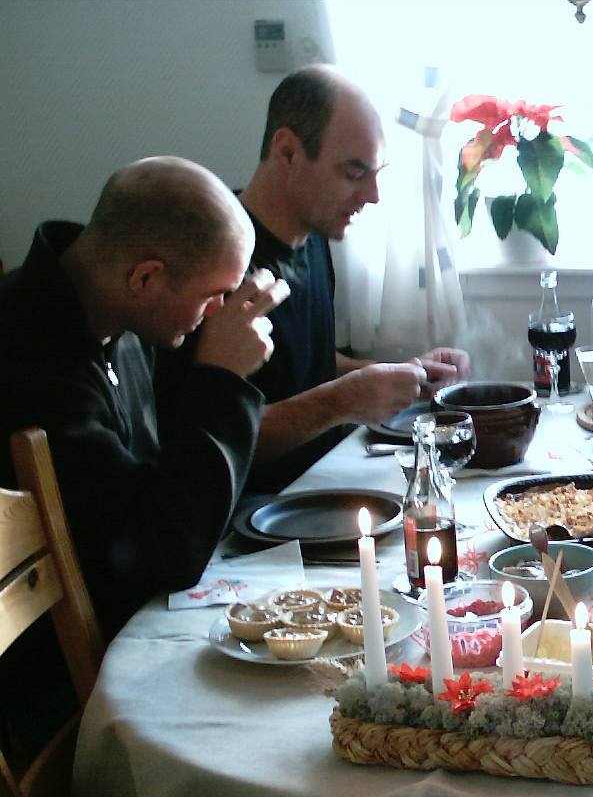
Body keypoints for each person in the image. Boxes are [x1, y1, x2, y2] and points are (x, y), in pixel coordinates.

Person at [0, 156, 286, 752]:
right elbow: (160, 551)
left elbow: (160, 486)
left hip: (131, 624)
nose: (218, 312)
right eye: (214, 295)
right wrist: (223, 379)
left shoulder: (111, 316)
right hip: (55, 689)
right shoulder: (31, 365)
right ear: (146, 278)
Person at [159, 65, 470, 493]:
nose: (372, 196)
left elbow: (300, 366)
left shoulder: (313, 235)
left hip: (315, 489)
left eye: (377, 173)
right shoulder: (216, 262)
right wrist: (344, 400)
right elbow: (215, 435)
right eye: (353, 173)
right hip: (246, 525)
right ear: (287, 151)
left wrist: (398, 375)